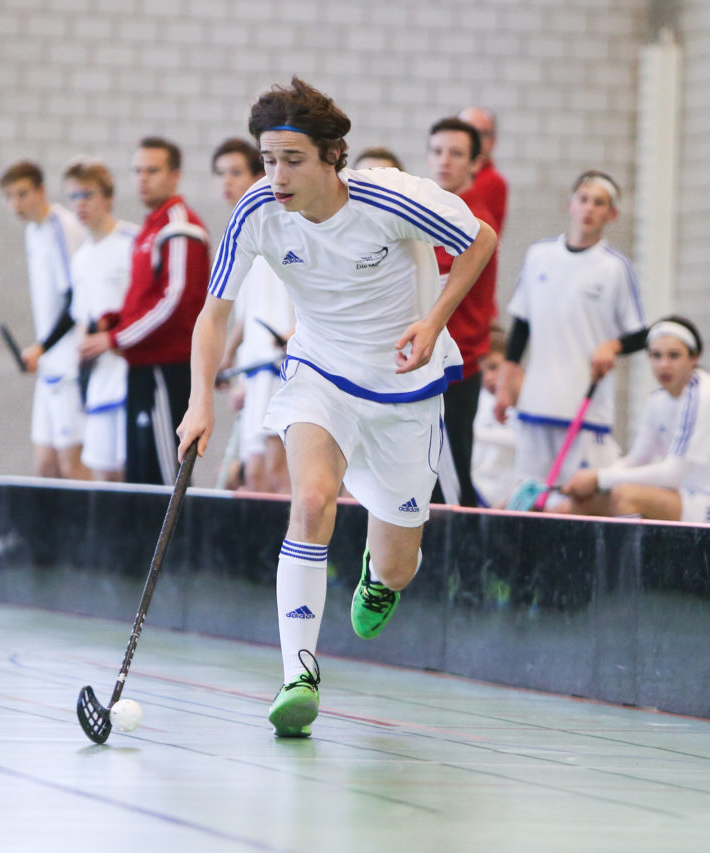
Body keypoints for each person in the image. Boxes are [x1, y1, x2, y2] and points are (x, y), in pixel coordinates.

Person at [177, 77, 496, 737]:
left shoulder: (390, 197)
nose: (276, 176)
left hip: (405, 388)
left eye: (292, 160)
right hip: (319, 372)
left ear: (330, 156)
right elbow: (214, 315)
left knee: (398, 565)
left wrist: (435, 319)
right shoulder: (257, 210)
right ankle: (298, 674)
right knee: (312, 501)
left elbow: (481, 239)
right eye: (268, 159)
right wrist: (198, 400)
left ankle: (380, 576)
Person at [494, 170, 647, 507]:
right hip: (536, 404)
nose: (589, 208)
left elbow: (641, 334)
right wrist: (505, 385)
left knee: (578, 503)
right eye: (584, 199)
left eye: (599, 203)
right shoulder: (539, 256)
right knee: (527, 498)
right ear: (571, 204)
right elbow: (521, 326)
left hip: (586, 408)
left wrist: (613, 346)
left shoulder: (614, 267)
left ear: (612, 214)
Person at [80, 137, 210, 486]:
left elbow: (174, 300)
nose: (142, 178)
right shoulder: (148, 229)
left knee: (167, 474)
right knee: (139, 474)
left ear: (175, 175)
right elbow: (144, 298)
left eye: (152, 170)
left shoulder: (179, 227)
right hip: (141, 367)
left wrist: (115, 338)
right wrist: (115, 319)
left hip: (165, 369)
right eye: (137, 171)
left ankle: (178, 527)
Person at [561, 316, 710, 525]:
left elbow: (672, 474)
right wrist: (588, 481)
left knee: (626, 496)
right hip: (686, 501)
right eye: (656, 355)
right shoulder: (657, 400)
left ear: (694, 358)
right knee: (578, 505)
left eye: (673, 356)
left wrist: (599, 478)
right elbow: (637, 460)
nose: (663, 365)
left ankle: (632, 549)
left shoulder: (706, 395)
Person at [211, 137, 293, 494]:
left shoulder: (285, 225)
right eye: (221, 174)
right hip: (255, 366)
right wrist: (228, 357)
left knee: (279, 472)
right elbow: (248, 310)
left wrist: (296, 333)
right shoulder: (239, 233)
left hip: (283, 363)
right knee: (255, 475)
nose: (226, 182)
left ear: (259, 176)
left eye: (235, 173)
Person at [0, 159, 89, 480]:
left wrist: (41, 347)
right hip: (50, 366)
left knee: (73, 467)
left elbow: (76, 302)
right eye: (9, 196)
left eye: (22, 194)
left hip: (70, 366)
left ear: (42, 191)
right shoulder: (32, 232)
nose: (16, 204)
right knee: (45, 468)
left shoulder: (59, 227)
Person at [424, 117, 499, 508]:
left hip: (454, 370)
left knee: (450, 484)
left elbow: (431, 284)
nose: (444, 161)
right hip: (425, 364)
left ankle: (463, 550)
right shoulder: (430, 209)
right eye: (437, 152)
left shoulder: (473, 220)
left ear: (475, 163)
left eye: (455, 153)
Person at [63, 159, 137, 482]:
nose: (80, 204)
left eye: (87, 194)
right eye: (73, 196)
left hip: (130, 373)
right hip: (98, 378)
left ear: (108, 197)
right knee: (105, 473)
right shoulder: (81, 258)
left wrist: (115, 338)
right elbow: (82, 317)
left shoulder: (132, 242)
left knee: (131, 472)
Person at [469, 325, 518, 508]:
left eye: (494, 367)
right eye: (481, 372)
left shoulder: (525, 401)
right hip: (479, 496)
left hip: (514, 498)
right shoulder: (479, 402)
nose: (488, 377)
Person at [458, 106, 508, 232]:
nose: (476, 140)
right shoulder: (457, 176)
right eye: (468, 131)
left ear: (493, 140)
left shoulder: (492, 182)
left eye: (483, 134)